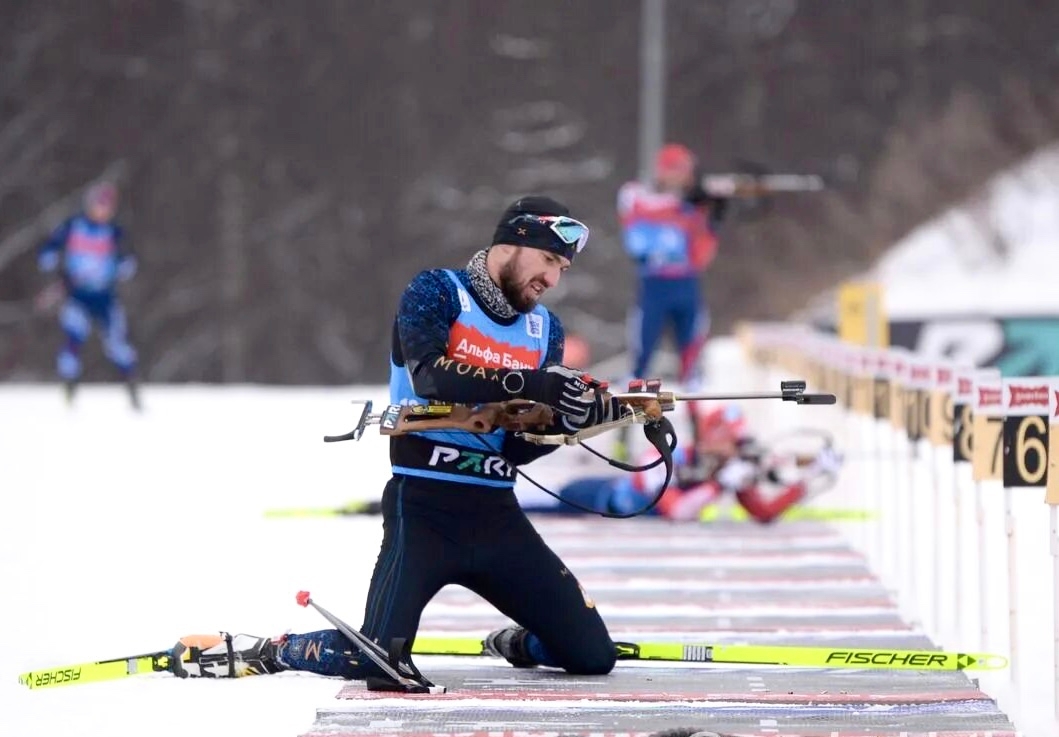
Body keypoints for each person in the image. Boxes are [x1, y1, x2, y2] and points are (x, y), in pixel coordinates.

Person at [170, 196, 626, 682]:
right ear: (512, 242)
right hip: (424, 510)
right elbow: (430, 378)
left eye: (562, 268)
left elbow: (514, 447)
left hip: (497, 515)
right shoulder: (437, 291)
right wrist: (530, 382)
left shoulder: (545, 329)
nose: (552, 279)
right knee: (382, 662)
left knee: (592, 656)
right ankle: (275, 651)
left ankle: (520, 641)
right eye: (549, 260)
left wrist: (570, 423)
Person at [527, 405, 843, 524]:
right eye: (730, 439)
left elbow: (763, 512)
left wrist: (809, 477)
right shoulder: (668, 457)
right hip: (595, 499)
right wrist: (719, 485)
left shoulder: (729, 467)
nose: (736, 447)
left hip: (623, 516)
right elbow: (677, 512)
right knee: (535, 504)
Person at [613, 143, 730, 459]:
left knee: (693, 372)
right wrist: (686, 204)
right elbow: (637, 232)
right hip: (653, 290)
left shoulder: (692, 206)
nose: (683, 178)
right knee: (638, 368)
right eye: (677, 171)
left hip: (687, 289)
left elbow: (701, 253)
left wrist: (712, 218)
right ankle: (622, 441)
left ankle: (701, 447)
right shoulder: (636, 196)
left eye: (687, 173)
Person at [37, 181, 141, 409]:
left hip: (105, 297)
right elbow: (48, 250)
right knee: (73, 340)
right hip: (78, 297)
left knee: (118, 345)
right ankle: (69, 391)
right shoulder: (73, 226)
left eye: (107, 206)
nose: (102, 211)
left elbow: (129, 259)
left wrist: (123, 266)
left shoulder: (114, 231)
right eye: (99, 205)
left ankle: (132, 390)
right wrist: (50, 259)